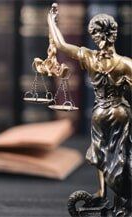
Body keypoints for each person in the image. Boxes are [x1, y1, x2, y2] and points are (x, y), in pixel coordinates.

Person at [47, 3, 132, 215]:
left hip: (99, 113)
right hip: (120, 112)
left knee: (100, 154)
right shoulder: (125, 64)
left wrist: (51, 21)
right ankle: (122, 200)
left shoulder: (90, 58)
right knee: (120, 155)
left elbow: (61, 44)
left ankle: (102, 194)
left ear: (95, 35)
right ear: (114, 34)